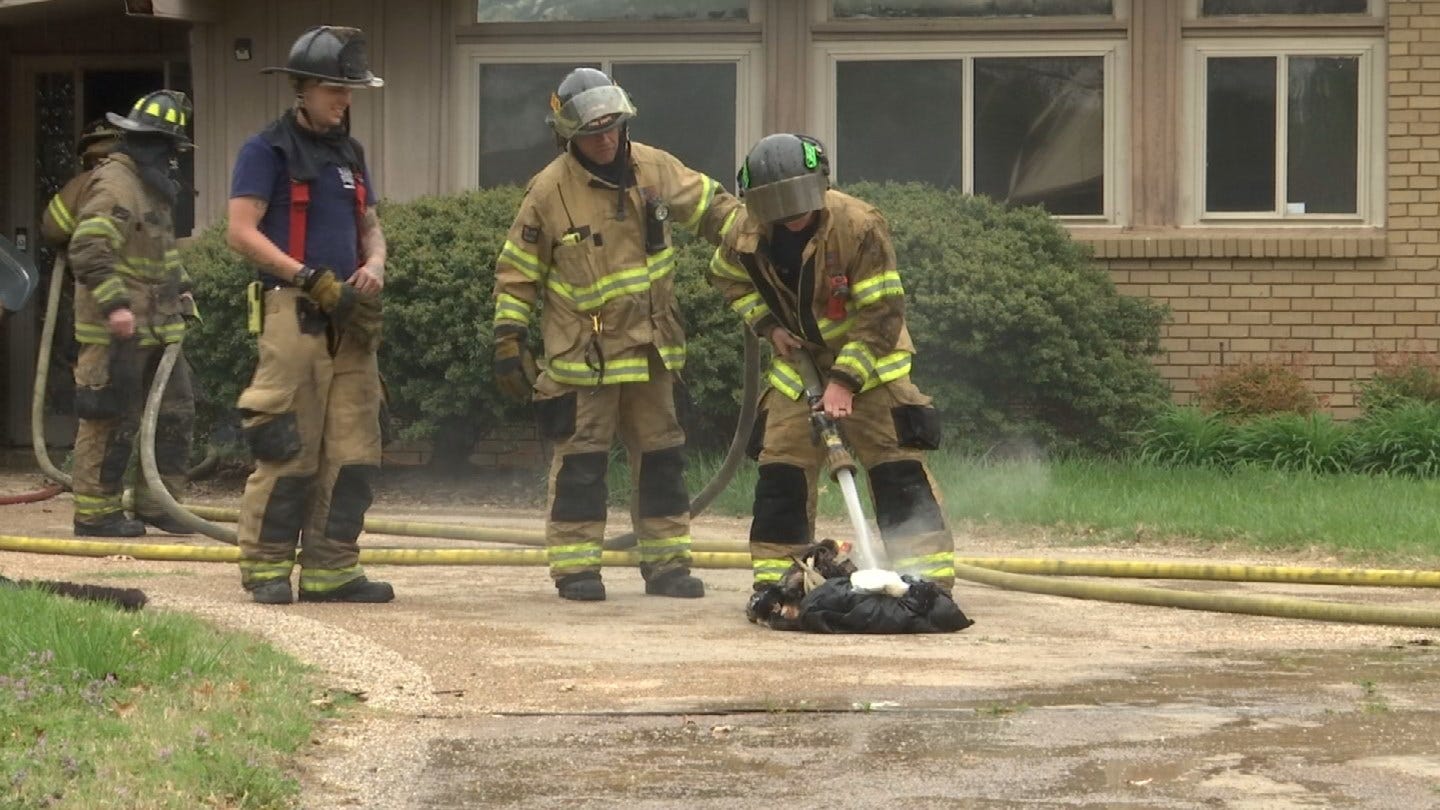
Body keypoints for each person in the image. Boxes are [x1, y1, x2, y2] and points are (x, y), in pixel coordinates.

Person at [492, 67, 740, 601]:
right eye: (592, 133)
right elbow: (518, 272)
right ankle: (576, 569)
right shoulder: (549, 192)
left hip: (652, 350)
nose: (605, 140)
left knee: (663, 459)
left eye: (612, 128)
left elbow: (712, 208)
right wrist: (508, 339)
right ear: (567, 136)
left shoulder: (654, 167)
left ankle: (667, 564)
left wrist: (756, 235)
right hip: (585, 359)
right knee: (581, 465)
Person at [707, 133, 956, 612]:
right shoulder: (745, 231)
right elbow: (726, 276)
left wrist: (843, 382)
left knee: (896, 469)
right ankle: (779, 583)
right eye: (776, 207)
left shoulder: (859, 226)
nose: (790, 216)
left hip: (871, 366)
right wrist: (768, 326)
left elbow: (882, 311)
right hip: (798, 370)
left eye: (798, 202)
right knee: (782, 472)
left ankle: (927, 582)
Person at [227, 25, 391, 605]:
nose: (345, 100)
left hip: (350, 320)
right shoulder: (266, 150)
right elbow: (240, 231)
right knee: (288, 446)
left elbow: (370, 226)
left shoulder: (350, 153)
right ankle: (267, 568)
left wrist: (375, 264)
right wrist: (305, 276)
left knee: (353, 452)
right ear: (303, 89)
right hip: (292, 314)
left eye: (350, 90)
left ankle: (331, 569)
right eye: (335, 90)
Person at [64, 91, 197, 537]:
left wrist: (184, 289)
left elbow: (161, 253)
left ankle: (158, 502)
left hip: (158, 327)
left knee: (175, 411)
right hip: (116, 331)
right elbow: (89, 247)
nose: (173, 160)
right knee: (110, 418)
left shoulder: (151, 187)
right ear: (150, 144)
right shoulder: (117, 185)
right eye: (169, 149)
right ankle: (95, 513)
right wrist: (116, 306)